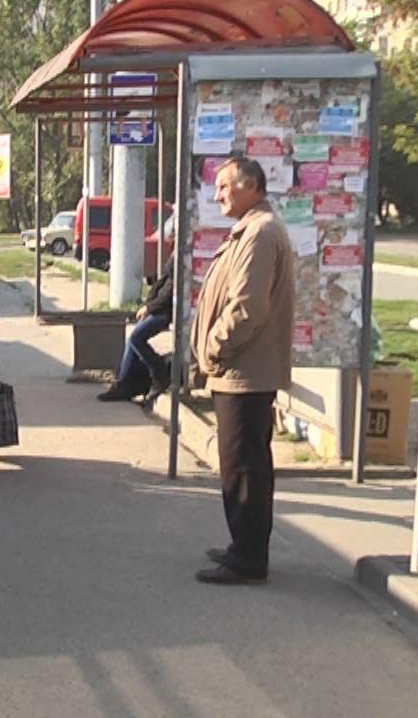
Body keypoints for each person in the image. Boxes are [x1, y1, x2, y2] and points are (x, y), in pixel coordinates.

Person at [191, 157, 295, 585]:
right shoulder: (252, 230)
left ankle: (249, 558)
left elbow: (246, 309)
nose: (217, 195)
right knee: (243, 463)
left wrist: (214, 350)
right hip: (241, 370)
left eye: (223, 186)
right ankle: (244, 546)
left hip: (244, 371)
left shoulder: (260, 233)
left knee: (244, 467)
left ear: (250, 185)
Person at [99, 254, 175, 403]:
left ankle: (158, 371)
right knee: (132, 340)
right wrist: (148, 304)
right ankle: (124, 382)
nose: (172, 235)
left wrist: (149, 307)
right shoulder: (176, 253)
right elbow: (162, 283)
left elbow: (170, 290)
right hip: (158, 308)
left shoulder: (182, 256)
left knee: (136, 338)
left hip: (165, 311)